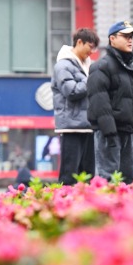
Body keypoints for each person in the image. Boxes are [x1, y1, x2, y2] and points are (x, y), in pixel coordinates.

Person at [87, 20, 133, 183]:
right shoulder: (101, 67)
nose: (131, 40)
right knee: (108, 180)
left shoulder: (131, 70)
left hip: (127, 132)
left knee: (126, 181)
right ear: (112, 39)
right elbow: (99, 103)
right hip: (109, 134)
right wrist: (110, 134)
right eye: (126, 36)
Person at [52, 28, 99, 184]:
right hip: (71, 127)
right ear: (79, 42)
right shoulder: (63, 66)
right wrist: (91, 80)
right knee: (69, 175)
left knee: (88, 175)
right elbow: (70, 91)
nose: (91, 52)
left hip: (87, 125)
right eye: (90, 47)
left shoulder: (87, 66)